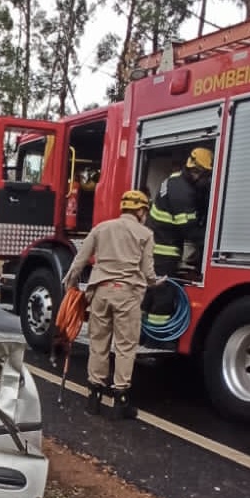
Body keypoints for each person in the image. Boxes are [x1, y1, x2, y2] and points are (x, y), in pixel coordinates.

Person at [62, 190, 158, 420]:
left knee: (98, 344)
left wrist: (71, 286)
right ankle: (120, 402)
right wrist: (156, 282)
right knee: (125, 347)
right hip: (127, 294)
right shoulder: (145, 233)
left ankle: (93, 398)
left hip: (100, 292)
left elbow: (80, 261)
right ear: (141, 210)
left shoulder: (101, 228)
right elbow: (147, 272)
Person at [148, 147, 213, 277]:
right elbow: (190, 230)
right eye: (207, 175)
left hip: (158, 248)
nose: (208, 180)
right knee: (163, 294)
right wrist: (211, 243)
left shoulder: (176, 179)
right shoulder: (181, 193)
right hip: (164, 253)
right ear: (196, 171)